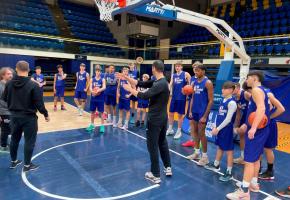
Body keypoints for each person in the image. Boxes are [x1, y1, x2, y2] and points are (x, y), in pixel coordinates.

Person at [116, 60, 172, 184]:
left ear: (153, 68)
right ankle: (168, 167)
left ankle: (155, 174)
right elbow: (140, 83)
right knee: (162, 143)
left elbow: (144, 95)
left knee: (152, 146)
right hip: (163, 118)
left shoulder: (160, 84)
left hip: (155, 119)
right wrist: (126, 77)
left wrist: (130, 90)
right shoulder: (159, 81)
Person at [227, 71, 270, 200]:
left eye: (248, 78)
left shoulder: (256, 90)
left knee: (249, 161)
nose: (246, 80)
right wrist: (247, 124)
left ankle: (244, 192)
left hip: (257, 131)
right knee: (256, 158)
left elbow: (262, 109)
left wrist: (254, 127)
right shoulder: (261, 91)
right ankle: (253, 184)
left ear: (255, 78)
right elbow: (264, 108)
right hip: (261, 130)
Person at [2, 61, 49, 172]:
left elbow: (4, 99)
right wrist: (45, 114)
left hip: (13, 117)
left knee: (14, 139)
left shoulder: (8, 84)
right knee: (29, 141)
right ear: (28, 70)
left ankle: (14, 162)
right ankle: (27, 166)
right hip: (29, 118)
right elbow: (39, 104)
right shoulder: (33, 85)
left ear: (16, 69)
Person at [204, 81, 237, 182]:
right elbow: (218, 114)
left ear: (231, 90)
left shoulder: (232, 103)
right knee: (219, 147)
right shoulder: (223, 100)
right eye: (222, 88)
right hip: (219, 128)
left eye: (225, 88)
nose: (222, 90)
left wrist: (217, 129)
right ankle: (216, 164)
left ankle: (229, 172)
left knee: (229, 151)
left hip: (226, 129)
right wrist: (214, 125)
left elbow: (228, 119)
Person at [186, 63, 214, 167]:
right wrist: (190, 110)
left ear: (203, 71)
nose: (195, 72)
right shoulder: (194, 82)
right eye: (195, 70)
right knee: (194, 131)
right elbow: (192, 97)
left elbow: (211, 100)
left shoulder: (208, 83)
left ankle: (205, 157)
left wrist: (205, 116)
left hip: (203, 112)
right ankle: (197, 153)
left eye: (197, 70)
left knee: (201, 133)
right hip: (194, 111)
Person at [259, 89, 285, 180]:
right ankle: (258, 168)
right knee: (259, 147)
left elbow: (281, 109)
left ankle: (270, 172)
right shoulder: (256, 94)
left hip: (269, 124)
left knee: (268, 149)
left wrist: (269, 117)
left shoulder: (268, 95)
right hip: (261, 123)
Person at [166, 61, 191, 139]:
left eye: (179, 66)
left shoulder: (186, 74)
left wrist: (187, 92)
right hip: (174, 97)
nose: (177, 67)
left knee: (180, 115)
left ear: (181, 67)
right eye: (176, 66)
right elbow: (170, 84)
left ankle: (179, 131)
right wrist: (167, 91)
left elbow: (190, 85)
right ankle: (170, 128)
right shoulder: (173, 75)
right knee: (170, 113)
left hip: (181, 98)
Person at [233, 82, 251, 164]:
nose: (232, 90)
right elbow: (238, 113)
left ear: (238, 88)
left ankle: (252, 159)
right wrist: (236, 126)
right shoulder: (236, 99)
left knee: (250, 137)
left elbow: (259, 103)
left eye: (233, 88)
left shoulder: (246, 94)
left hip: (252, 117)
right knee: (241, 136)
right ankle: (243, 157)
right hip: (245, 117)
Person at [182, 62, 199, 147]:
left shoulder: (203, 79)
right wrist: (185, 91)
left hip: (199, 104)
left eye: (196, 67)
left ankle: (198, 142)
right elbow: (189, 91)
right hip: (191, 103)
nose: (194, 69)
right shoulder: (192, 78)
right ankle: (192, 140)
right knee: (191, 123)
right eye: (193, 67)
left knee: (198, 125)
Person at [86, 66, 106, 133]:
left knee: (101, 112)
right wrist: (93, 92)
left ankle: (102, 126)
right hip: (93, 98)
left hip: (100, 99)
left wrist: (98, 90)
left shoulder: (102, 79)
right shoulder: (92, 79)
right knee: (92, 112)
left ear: (100, 72)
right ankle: (92, 124)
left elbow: (104, 87)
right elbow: (90, 88)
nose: (98, 72)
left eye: (99, 71)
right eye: (97, 71)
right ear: (95, 71)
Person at [0, 67, 13, 153]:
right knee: (5, 130)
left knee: (8, 129)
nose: (11, 75)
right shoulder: (0, 86)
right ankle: (3, 147)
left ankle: (3, 143)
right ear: (3, 75)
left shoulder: (9, 85)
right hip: (3, 112)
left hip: (10, 111)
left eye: (11, 74)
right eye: (8, 74)